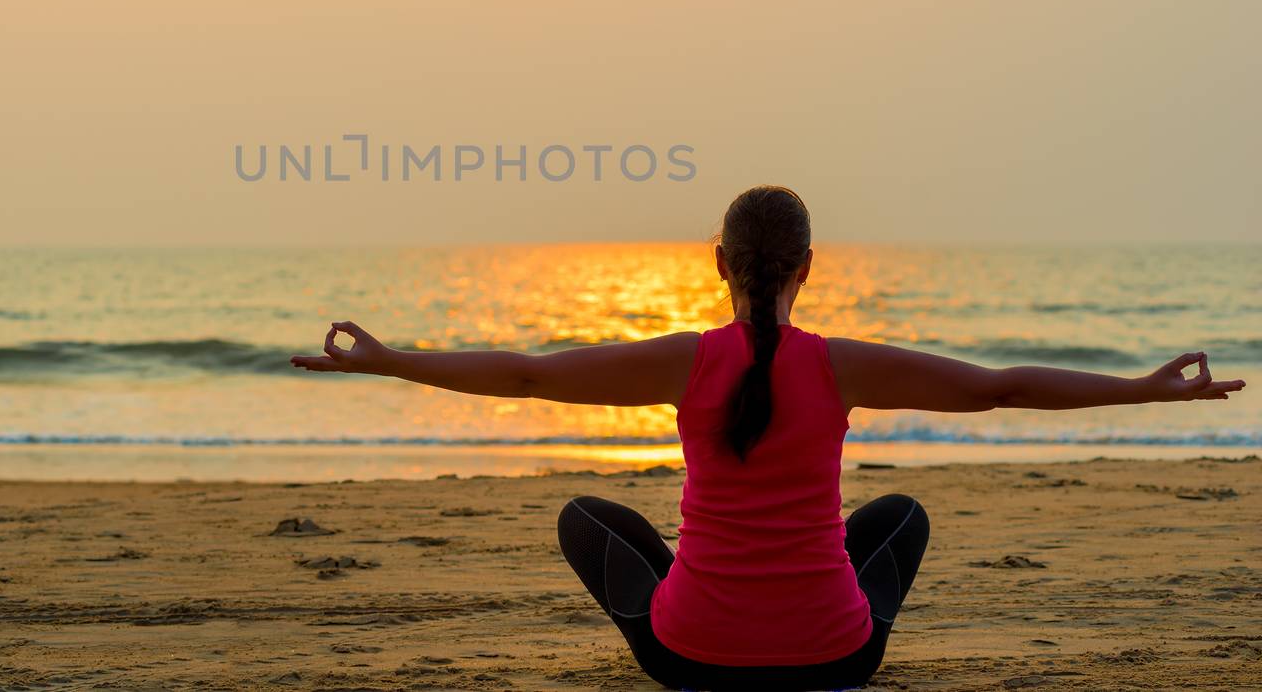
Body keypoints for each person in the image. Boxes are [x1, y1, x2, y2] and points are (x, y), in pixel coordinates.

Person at [288, 185, 1245, 691]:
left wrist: (389, 360)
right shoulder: (841, 364)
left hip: (692, 657)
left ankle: (710, 635)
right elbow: (999, 389)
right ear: (809, 270)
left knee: (589, 516)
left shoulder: (682, 360)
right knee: (899, 518)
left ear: (719, 266)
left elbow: (529, 373)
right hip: (835, 660)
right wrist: (1145, 391)